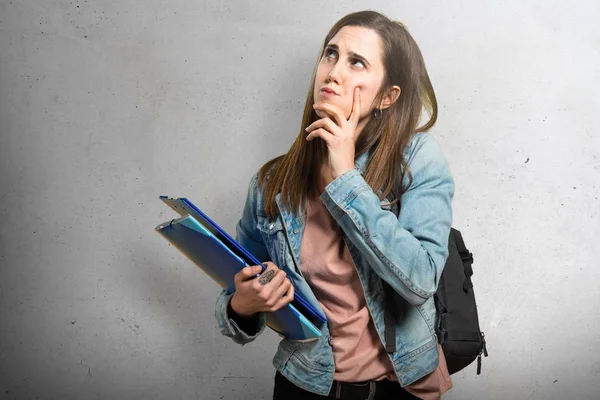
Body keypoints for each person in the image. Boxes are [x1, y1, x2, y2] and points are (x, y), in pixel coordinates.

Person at [215, 10, 454, 400]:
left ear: (387, 97)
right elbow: (242, 287)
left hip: (398, 387)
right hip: (305, 386)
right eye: (330, 54)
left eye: (356, 62)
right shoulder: (271, 183)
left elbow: (421, 280)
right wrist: (241, 305)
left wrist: (345, 181)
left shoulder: (417, 159)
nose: (333, 72)